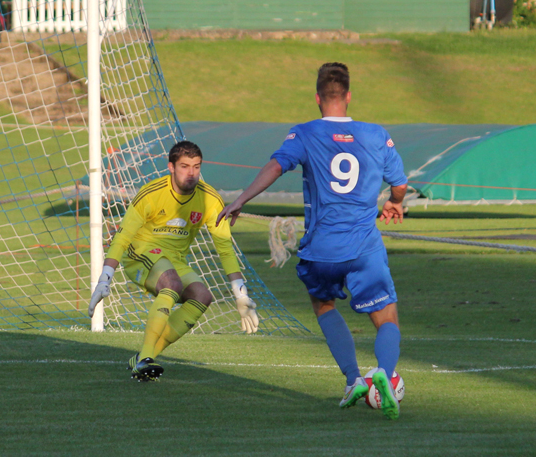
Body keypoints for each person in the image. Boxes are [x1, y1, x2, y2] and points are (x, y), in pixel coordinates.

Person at [217, 63, 407, 420]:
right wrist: (395, 202)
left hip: (321, 248)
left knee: (323, 306)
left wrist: (241, 200)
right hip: (364, 247)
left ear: (318, 98)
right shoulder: (375, 134)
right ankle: (383, 371)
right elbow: (399, 182)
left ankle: (353, 380)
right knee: (387, 318)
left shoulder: (304, 133)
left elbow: (276, 166)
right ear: (348, 96)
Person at [88, 140, 259, 382]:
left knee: (202, 296)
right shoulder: (152, 193)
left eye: (196, 167)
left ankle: (143, 359)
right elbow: (123, 237)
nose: (191, 173)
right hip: (141, 252)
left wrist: (240, 294)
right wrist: (105, 277)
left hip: (175, 259)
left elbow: (225, 247)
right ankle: (146, 358)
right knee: (172, 283)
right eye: (184, 167)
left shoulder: (210, 199)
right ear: (171, 167)